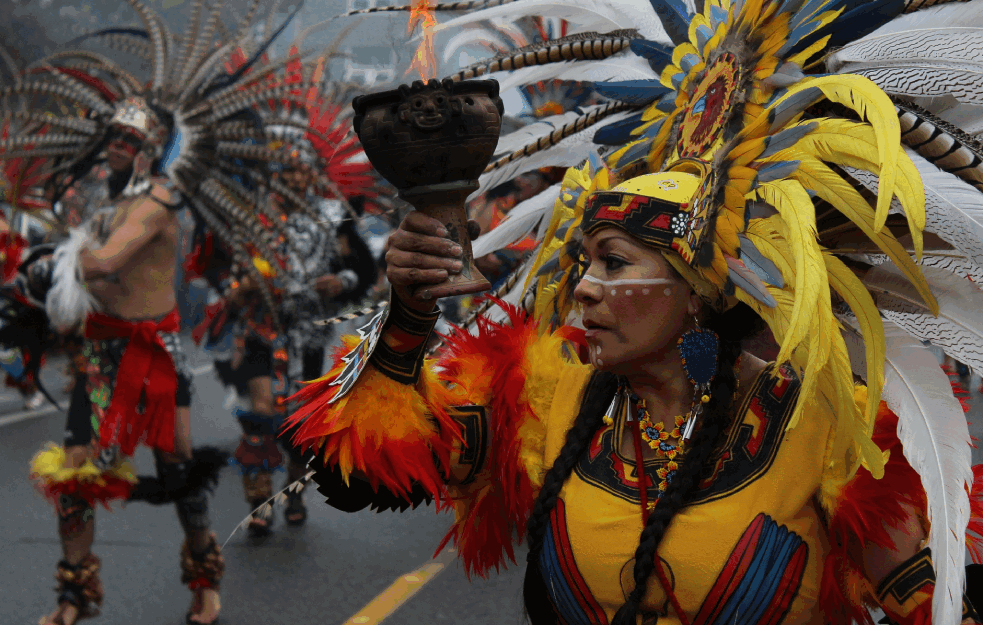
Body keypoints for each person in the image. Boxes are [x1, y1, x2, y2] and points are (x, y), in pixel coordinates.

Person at [27, 98, 222, 625]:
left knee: (177, 470)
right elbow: (82, 271)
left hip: (155, 355)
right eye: (113, 134)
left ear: (150, 151)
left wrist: (53, 262)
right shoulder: (100, 202)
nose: (118, 143)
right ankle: (73, 596)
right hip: (98, 356)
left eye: (130, 138)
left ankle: (205, 584)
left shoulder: (158, 201)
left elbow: (107, 260)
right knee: (74, 474)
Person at [226, 143, 375, 535]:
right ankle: (258, 504)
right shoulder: (253, 217)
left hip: (309, 333)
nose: (294, 179)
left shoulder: (331, 217)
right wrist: (237, 289)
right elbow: (228, 270)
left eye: (301, 172)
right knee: (259, 414)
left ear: (314, 176)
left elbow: (362, 270)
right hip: (259, 328)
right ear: (274, 176)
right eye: (286, 172)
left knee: (298, 422)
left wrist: (339, 281)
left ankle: (293, 491)